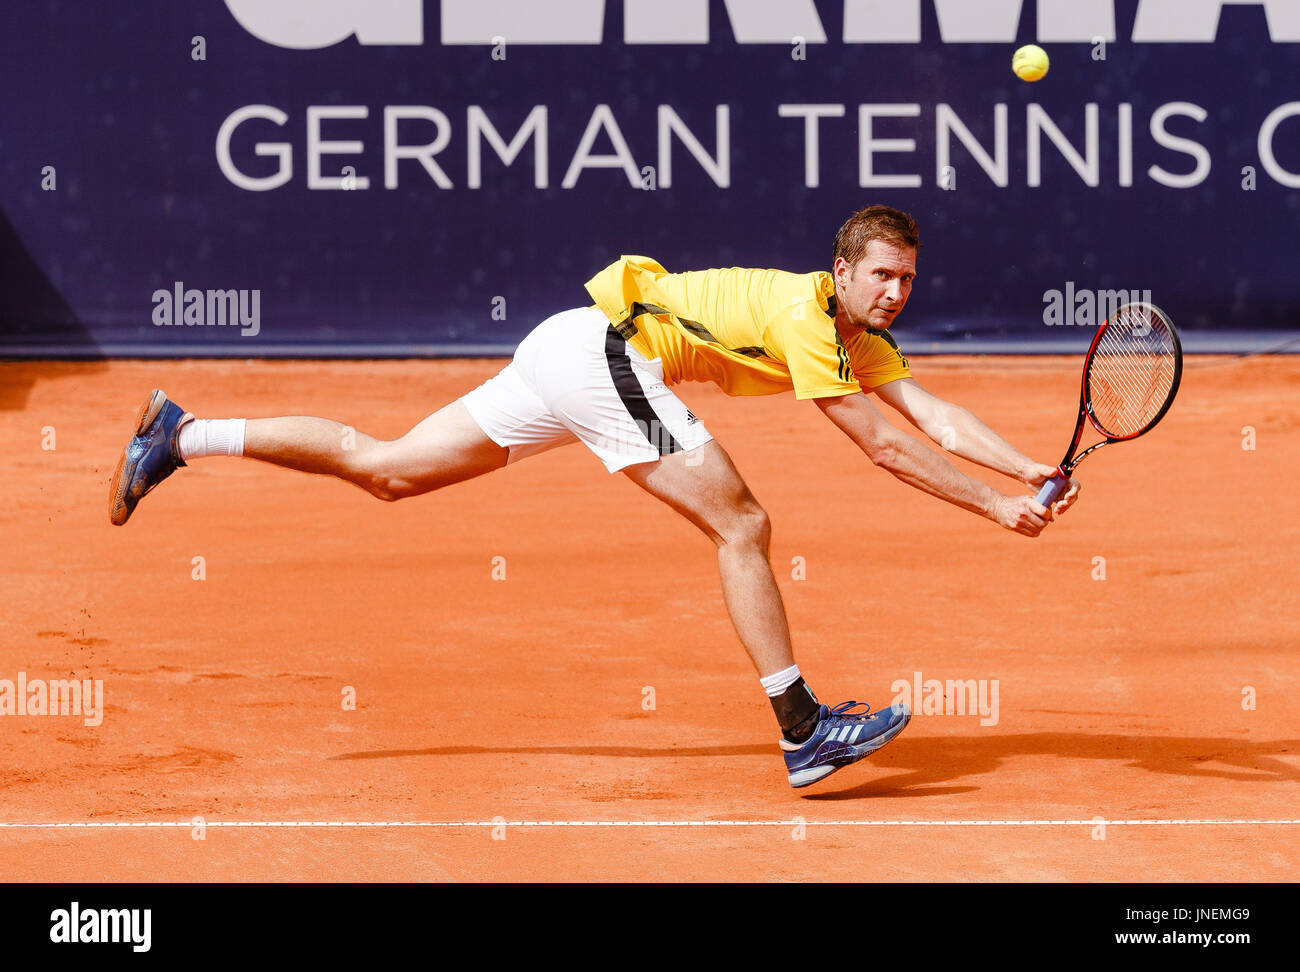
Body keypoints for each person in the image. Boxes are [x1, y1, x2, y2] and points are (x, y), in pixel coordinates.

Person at [109, 205, 1080, 789]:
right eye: (882, 276)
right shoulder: (806, 315)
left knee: (391, 470)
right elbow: (878, 445)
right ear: (841, 271)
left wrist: (1030, 468)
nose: (896, 293)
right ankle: (803, 732)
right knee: (741, 520)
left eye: (907, 280)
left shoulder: (861, 337)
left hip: (567, 347)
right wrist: (995, 511)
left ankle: (181, 435)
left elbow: (935, 418)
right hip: (605, 355)